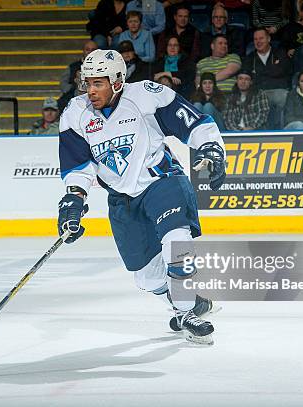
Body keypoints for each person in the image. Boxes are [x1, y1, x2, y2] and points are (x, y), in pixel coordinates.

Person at [57, 49, 226, 344]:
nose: (91, 90)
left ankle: (187, 313)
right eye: (88, 83)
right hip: (122, 199)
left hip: (163, 182)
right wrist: (74, 199)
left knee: (177, 246)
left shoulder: (148, 95)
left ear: (118, 81)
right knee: (146, 276)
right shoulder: (75, 113)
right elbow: (78, 166)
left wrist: (211, 149)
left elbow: (196, 123)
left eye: (99, 83)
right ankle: (188, 305)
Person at [242, 28, 292, 129]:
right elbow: (248, 78)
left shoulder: (280, 53)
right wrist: (273, 70)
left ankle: (277, 131)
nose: (258, 42)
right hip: (258, 93)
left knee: (282, 97)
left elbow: (285, 71)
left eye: (261, 38)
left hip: (278, 91)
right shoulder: (250, 58)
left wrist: (260, 73)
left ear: (269, 39)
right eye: (255, 39)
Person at [58, 40, 98, 112]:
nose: (90, 52)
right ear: (83, 51)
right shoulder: (73, 67)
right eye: (87, 49)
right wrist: (74, 86)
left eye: (93, 50)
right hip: (74, 96)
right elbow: (63, 85)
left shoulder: (103, 67)